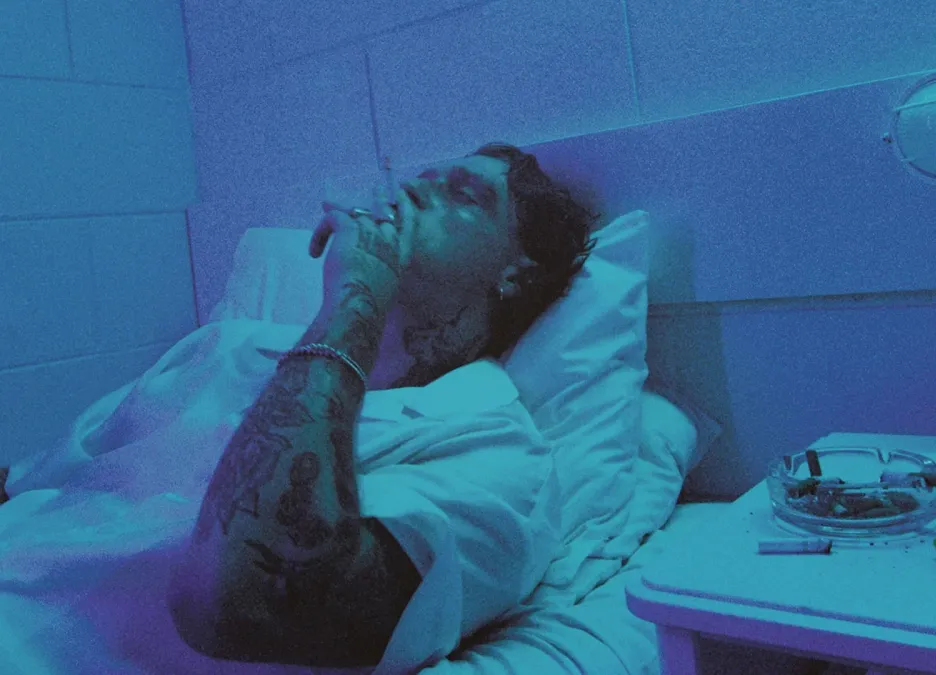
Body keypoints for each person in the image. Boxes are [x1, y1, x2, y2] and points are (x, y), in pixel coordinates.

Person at [0, 142, 598, 672]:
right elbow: (29, 486)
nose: (415, 188)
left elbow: (230, 601)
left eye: (463, 195)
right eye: (424, 176)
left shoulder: (497, 461)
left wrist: (357, 292)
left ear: (518, 273)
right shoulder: (224, 346)